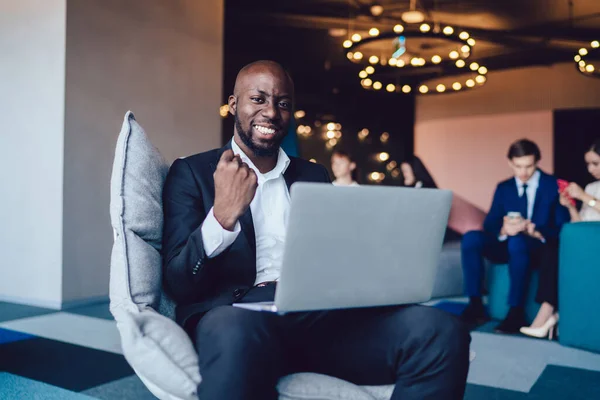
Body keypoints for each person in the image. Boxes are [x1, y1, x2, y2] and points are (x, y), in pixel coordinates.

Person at [161, 60, 470, 400]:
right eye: (258, 99)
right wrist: (221, 219)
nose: (271, 112)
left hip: (318, 315)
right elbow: (179, 280)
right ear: (234, 104)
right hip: (239, 316)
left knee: (441, 331)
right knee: (233, 330)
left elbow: (335, 254)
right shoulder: (192, 172)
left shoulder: (313, 174)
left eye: (282, 103)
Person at [460, 139, 570, 333]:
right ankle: (475, 304)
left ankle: (515, 311)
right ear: (510, 163)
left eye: (529, 166)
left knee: (518, 242)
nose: (523, 172)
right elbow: (490, 224)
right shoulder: (504, 187)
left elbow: (563, 228)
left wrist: (535, 231)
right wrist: (503, 229)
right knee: (471, 238)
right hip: (508, 244)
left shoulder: (552, 185)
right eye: (518, 166)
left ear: (537, 162)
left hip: (537, 247)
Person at [520, 138, 600, 338]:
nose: (590, 169)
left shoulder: (587, 193)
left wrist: (583, 197)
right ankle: (548, 312)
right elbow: (579, 225)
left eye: (595, 163)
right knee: (553, 246)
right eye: (588, 164)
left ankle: (548, 314)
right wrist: (571, 206)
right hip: (586, 244)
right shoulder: (590, 188)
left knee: (554, 248)